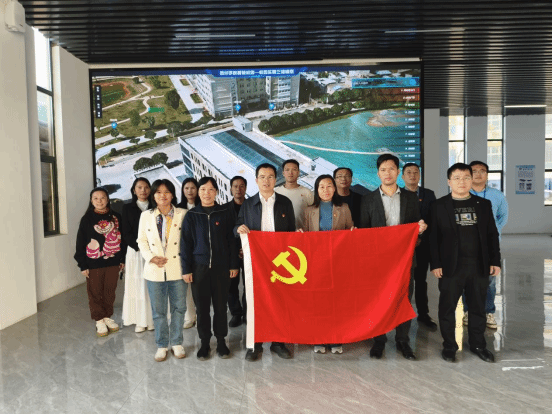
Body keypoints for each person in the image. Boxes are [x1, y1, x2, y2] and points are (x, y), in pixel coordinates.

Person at [430, 163, 501, 363]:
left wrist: (495, 260)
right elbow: (433, 237)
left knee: (478, 307)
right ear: (449, 182)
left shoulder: (483, 205)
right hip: (450, 267)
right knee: (447, 308)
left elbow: (492, 235)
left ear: (471, 180)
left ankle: (478, 345)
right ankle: (449, 346)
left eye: (466, 177)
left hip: (478, 265)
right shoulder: (438, 206)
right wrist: (435, 263)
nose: (462, 182)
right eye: (457, 178)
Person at [358, 154, 427, 360]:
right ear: (378, 173)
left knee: (404, 299)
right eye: (383, 170)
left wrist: (419, 231)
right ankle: (379, 340)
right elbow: (364, 233)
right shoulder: (368, 200)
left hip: (404, 261)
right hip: (378, 262)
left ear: (398, 172)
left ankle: (403, 340)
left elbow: (414, 229)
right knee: (378, 301)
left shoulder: (410, 198)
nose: (387, 173)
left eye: (391, 169)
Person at [235, 163, 296, 362]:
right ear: (256, 180)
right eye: (262, 177)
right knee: (254, 302)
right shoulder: (248, 204)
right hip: (256, 262)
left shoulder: (285, 202)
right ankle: (255, 344)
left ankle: (278, 343)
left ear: (275, 179)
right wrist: (238, 229)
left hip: (280, 262)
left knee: (280, 300)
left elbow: (291, 232)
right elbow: (236, 226)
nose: (266, 181)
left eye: (270, 177)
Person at [181, 177, 239, 360]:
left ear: (216, 192)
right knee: (202, 308)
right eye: (203, 189)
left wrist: (233, 264)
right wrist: (186, 269)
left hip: (221, 268)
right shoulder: (192, 215)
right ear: (198, 192)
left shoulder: (225, 213)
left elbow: (232, 242)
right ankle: (204, 343)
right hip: (199, 268)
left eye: (211, 189)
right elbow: (185, 244)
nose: (207, 193)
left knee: (221, 307)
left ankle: (221, 342)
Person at [301, 174, 354, 354]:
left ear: (334, 188)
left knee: (337, 301)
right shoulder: (309, 210)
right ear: (317, 190)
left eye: (329, 186)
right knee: (318, 301)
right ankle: (319, 338)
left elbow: (349, 231)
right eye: (322, 186)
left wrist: (353, 232)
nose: (326, 190)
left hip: (338, 261)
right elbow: (305, 236)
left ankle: (336, 338)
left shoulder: (343, 208)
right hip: (316, 263)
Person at [137, 179, 187, 362]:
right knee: (158, 311)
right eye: (158, 192)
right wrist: (151, 257)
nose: (162, 195)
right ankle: (162, 345)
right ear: (153, 195)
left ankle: (177, 342)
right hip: (155, 269)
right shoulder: (146, 216)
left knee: (179, 308)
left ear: (172, 194)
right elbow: (141, 240)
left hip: (178, 268)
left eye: (166, 192)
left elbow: (189, 241)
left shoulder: (183, 214)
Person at [462, 161, 509, 329]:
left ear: (487, 175)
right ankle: (468, 311)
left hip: (489, 246)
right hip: (466, 245)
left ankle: (489, 312)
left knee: (489, 281)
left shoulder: (497, 195)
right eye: (474, 171)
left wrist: (491, 233)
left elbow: (502, 217)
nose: (478, 174)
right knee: (467, 280)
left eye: (482, 171)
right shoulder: (462, 193)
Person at [75, 187, 126, 337]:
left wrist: (122, 259)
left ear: (108, 199)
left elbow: (122, 239)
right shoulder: (87, 219)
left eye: (102, 198)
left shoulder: (116, 217)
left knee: (110, 291)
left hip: (113, 262)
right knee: (95, 292)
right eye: (96, 198)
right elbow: (80, 242)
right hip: (93, 263)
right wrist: (82, 264)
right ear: (91, 201)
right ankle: (99, 319)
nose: (99, 201)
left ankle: (107, 317)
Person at [402, 163, 438, 329]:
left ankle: (423, 314)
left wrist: (421, 235)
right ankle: (403, 315)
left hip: (422, 246)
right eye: (408, 172)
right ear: (402, 176)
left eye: (415, 172)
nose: (412, 175)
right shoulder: (398, 194)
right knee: (404, 282)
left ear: (420, 175)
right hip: (403, 247)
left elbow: (434, 218)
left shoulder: (428, 194)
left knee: (421, 281)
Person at [121, 178, 154, 332]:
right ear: (134, 190)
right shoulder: (127, 208)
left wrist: (151, 248)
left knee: (151, 285)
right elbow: (125, 232)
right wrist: (140, 247)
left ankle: (151, 319)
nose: (143, 190)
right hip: (135, 252)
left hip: (153, 252)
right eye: (139, 187)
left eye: (146, 187)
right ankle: (140, 320)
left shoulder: (155, 206)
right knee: (137, 285)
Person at [224, 176, 247, 328]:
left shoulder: (252, 206)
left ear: (246, 188)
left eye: (241, 186)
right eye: (235, 186)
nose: (238, 189)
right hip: (230, 253)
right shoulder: (224, 209)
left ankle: (247, 312)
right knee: (231, 285)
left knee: (249, 284)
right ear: (231, 188)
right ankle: (236, 313)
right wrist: (235, 250)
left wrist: (245, 248)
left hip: (249, 251)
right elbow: (224, 234)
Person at [177, 177, 199, 330]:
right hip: (184, 251)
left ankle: (202, 315)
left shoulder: (204, 206)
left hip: (200, 251)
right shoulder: (177, 209)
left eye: (193, 188)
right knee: (186, 286)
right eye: (186, 188)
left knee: (201, 286)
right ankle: (190, 316)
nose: (190, 191)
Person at [274, 159, 313, 229]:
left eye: (294, 170)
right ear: (283, 173)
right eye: (287, 170)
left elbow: (314, 215)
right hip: (281, 234)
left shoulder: (307, 192)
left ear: (298, 173)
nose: (290, 173)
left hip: (301, 233)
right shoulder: (275, 192)